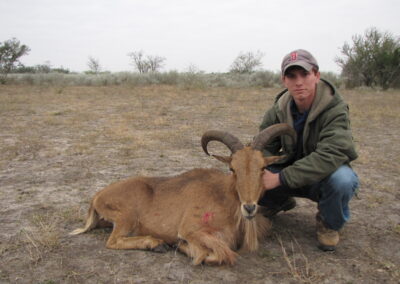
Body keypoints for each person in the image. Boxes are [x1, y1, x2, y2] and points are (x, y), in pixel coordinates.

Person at [258, 49, 359, 251]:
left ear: (316, 75)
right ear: (283, 80)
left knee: (343, 180)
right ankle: (277, 201)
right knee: (251, 172)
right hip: (288, 174)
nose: (299, 82)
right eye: (292, 76)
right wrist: (259, 169)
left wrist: (279, 178)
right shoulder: (278, 108)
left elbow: (331, 154)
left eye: (305, 74)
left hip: (320, 177)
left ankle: (329, 224)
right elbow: (263, 147)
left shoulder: (335, 108)